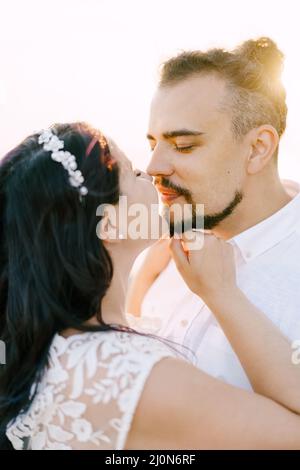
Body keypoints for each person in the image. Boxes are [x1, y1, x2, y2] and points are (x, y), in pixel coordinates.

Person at [1, 122, 300, 451]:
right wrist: (221, 292)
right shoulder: (132, 376)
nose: (151, 173)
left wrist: (142, 278)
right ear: (110, 224)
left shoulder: (58, 351)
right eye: (132, 172)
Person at [127, 37, 300, 389]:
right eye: (153, 144)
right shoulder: (159, 253)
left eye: (183, 146)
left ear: (257, 148)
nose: (154, 166)